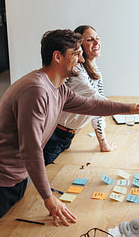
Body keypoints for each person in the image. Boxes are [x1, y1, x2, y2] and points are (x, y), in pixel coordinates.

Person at [0, 29, 139, 237]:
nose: (82, 59)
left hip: (16, 174)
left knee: (3, 235)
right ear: (58, 57)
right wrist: (49, 198)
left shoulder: (58, 89)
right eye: (76, 53)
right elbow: (30, 150)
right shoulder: (36, 90)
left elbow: (94, 105)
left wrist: (136, 108)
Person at [43, 25, 116, 166]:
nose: (96, 43)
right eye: (90, 40)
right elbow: (97, 102)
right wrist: (135, 108)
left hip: (69, 134)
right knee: (48, 176)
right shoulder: (76, 72)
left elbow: (97, 111)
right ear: (79, 46)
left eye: (98, 38)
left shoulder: (96, 72)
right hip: (54, 134)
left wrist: (103, 143)